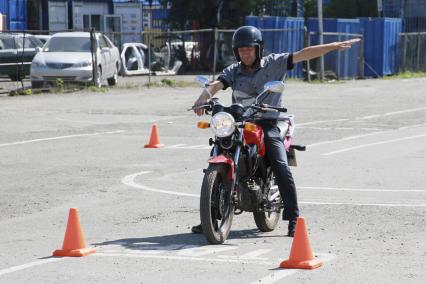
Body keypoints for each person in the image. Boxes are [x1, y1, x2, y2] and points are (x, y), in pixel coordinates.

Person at [191, 26, 360, 237]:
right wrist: (202, 99)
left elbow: (303, 54)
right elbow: (217, 84)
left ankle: (294, 218)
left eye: (249, 49)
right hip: (241, 122)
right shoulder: (234, 70)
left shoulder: (274, 63)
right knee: (219, 149)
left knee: (280, 166)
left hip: (268, 123)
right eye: (241, 50)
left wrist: (332, 46)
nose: (245, 53)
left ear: (258, 49)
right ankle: (209, 216)